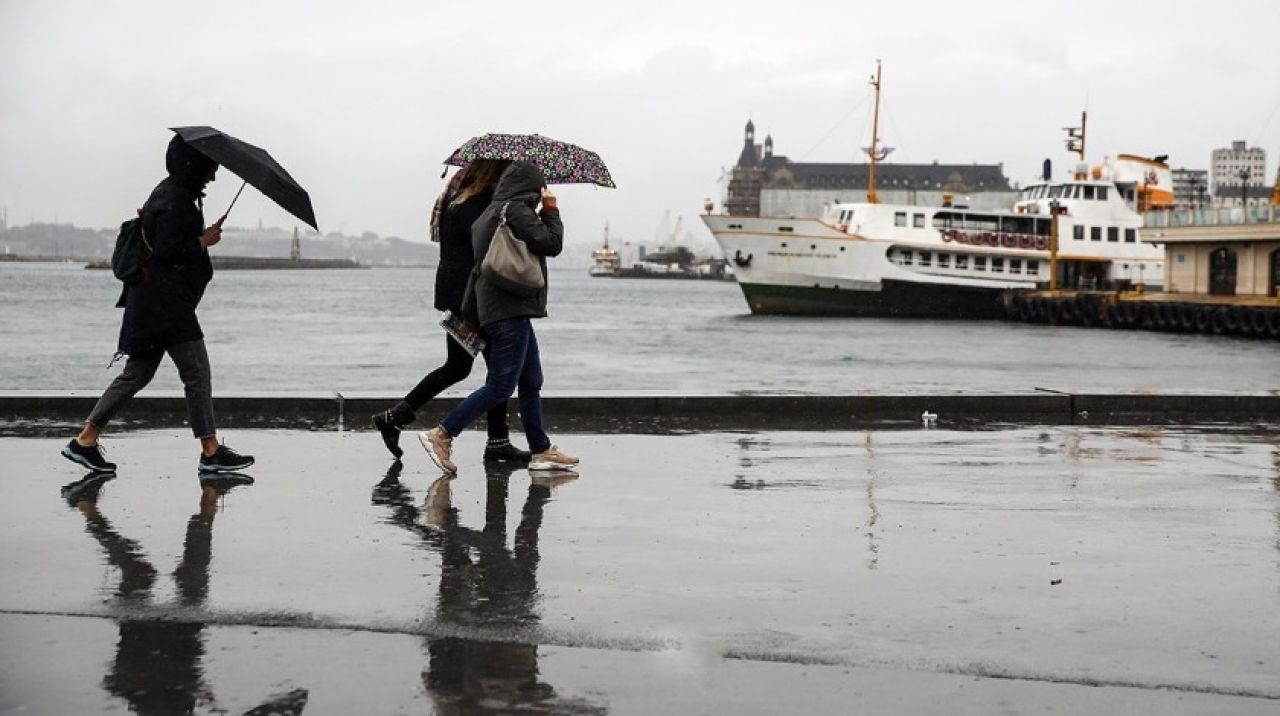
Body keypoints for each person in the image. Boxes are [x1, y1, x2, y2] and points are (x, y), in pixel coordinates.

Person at [60, 135, 253, 474]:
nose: (214, 174)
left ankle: (85, 439)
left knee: (136, 374)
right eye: (211, 166)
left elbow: (166, 241)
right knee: (196, 372)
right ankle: (211, 451)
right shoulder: (176, 199)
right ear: (195, 164)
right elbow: (167, 251)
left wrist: (198, 238)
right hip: (166, 306)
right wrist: (203, 241)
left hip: (150, 303)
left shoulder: (170, 193)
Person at [418, 161, 579, 474]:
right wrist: (551, 208)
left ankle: (541, 450)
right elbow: (551, 243)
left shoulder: (490, 213)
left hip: (503, 308)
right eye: (538, 188)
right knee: (501, 385)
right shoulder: (515, 211)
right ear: (528, 188)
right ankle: (442, 433)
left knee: (531, 380)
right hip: (508, 310)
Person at [372, 160, 530, 464]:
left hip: (457, 296)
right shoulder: (481, 206)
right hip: (473, 299)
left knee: (460, 367)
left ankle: (395, 418)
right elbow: (487, 250)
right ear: (493, 175)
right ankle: (496, 441)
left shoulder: (455, 201)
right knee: (498, 370)